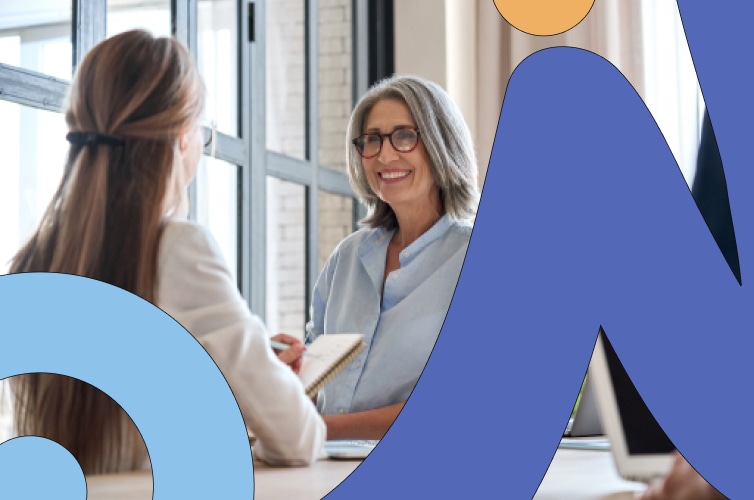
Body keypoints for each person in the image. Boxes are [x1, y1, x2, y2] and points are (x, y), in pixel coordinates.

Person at [8, 30, 324, 474]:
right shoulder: (179, 250)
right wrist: (261, 378)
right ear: (181, 138)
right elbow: (298, 439)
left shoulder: (31, 262)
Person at [305, 75, 479, 439]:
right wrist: (290, 371)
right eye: (372, 140)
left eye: (404, 136)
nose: (384, 155)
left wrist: (317, 430)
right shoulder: (346, 258)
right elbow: (313, 385)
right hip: (323, 470)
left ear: (440, 142)